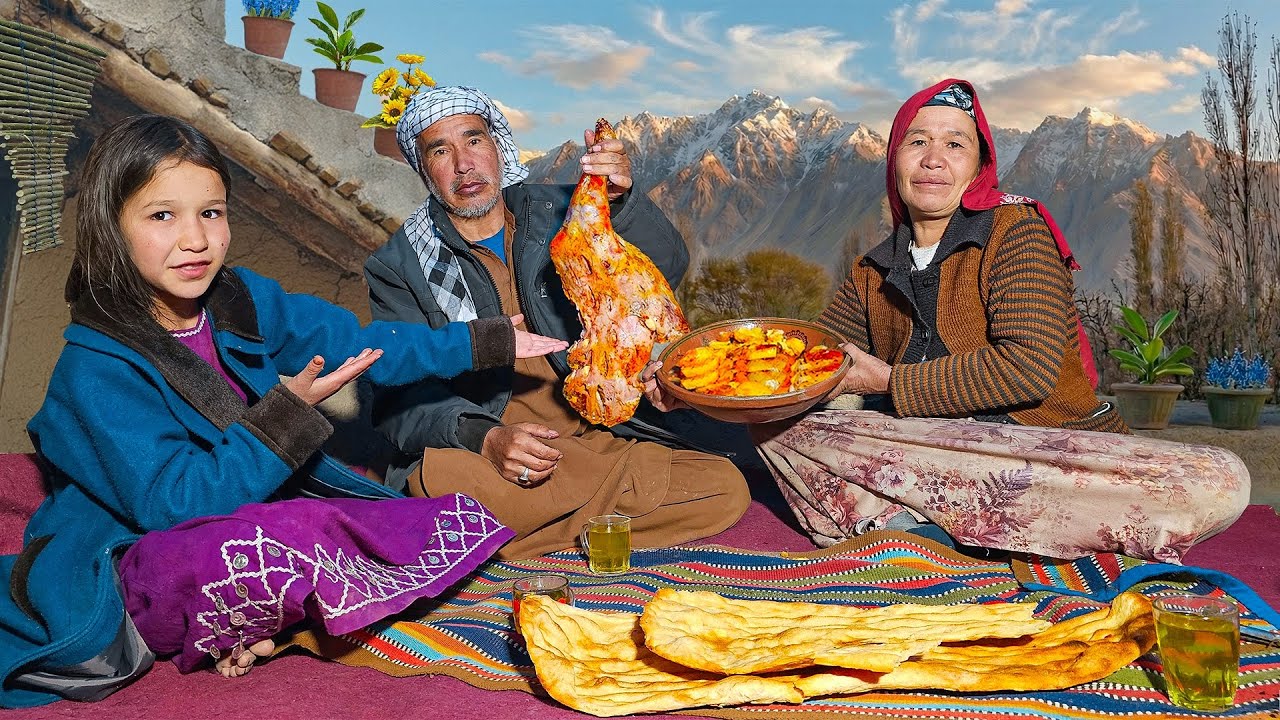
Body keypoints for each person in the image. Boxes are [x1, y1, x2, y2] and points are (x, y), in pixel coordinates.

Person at [0, 115, 568, 708]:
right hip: (134, 552)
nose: (195, 239)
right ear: (111, 226)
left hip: (241, 511)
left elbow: (363, 346)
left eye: (211, 213)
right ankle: (250, 609)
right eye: (161, 215)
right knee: (264, 547)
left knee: (435, 517)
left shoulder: (241, 298)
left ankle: (261, 613)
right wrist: (285, 415)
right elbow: (177, 506)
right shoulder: (95, 369)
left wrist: (482, 341)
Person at [646, 79, 1249, 563]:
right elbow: (802, 368)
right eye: (917, 142)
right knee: (784, 432)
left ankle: (910, 528)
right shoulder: (871, 270)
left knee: (1220, 479)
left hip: (1039, 448)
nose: (934, 160)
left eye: (955, 144)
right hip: (931, 450)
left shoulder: (1017, 233)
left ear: (978, 165)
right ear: (895, 162)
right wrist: (696, 388)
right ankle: (985, 531)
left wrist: (886, 384)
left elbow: (1030, 372)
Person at [364, 86, 750, 559]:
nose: (464, 164)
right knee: (443, 481)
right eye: (440, 151)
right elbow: (395, 397)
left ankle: (501, 541)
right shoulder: (400, 264)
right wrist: (483, 438)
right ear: (424, 169)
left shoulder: (561, 210)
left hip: (594, 436)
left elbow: (667, 263)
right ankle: (576, 522)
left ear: (498, 147)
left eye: (474, 141)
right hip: (490, 455)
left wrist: (620, 204)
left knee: (724, 489)